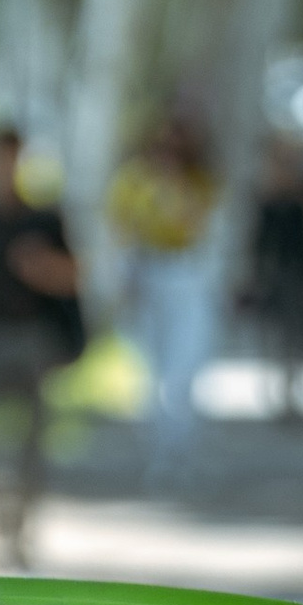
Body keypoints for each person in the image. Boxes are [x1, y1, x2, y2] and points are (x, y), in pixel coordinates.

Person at [0, 128, 83, 563]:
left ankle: (21, 528)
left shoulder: (43, 220)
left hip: (34, 337)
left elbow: (74, 277)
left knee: (31, 440)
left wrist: (40, 268)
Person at [106, 113, 222, 482]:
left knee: (182, 368)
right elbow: (120, 232)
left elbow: (200, 226)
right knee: (150, 370)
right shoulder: (133, 182)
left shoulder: (201, 185)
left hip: (187, 275)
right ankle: (157, 447)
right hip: (147, 276)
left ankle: (179, 447)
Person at [239, 135, 303, 415]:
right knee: (275, 336)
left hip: (301, 273)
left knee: (302, 335)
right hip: (274, 275)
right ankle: (279, 393)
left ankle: (296, 392)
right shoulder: (264, 195)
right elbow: (257, 241)